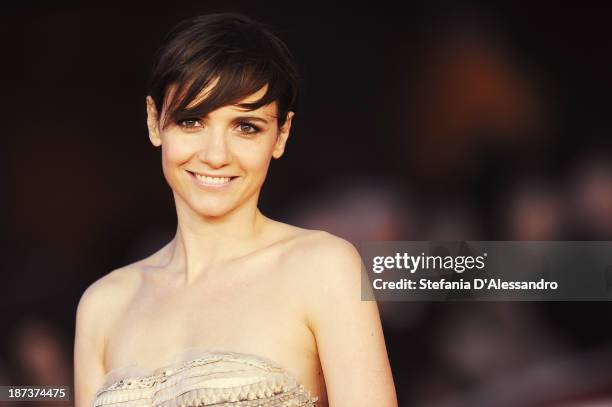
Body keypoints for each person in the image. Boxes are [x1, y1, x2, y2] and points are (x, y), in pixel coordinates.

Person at [73, 13, 397, 407]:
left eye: (246, 127)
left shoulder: (323, 268)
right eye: (191, 121)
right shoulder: (104, 305)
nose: (215, 155)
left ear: (281, 135)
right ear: (154, 122)